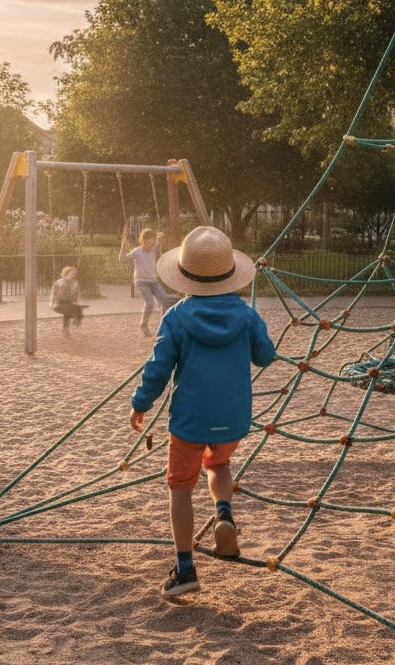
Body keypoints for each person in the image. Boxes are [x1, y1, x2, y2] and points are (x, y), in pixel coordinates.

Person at [128, 225, 275, 597]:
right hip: (234, 418)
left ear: (183, 275)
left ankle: (185, 568)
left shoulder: (177, 316)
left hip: (189, 420)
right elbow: (266, 356)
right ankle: (224, 512)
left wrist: (140, 403)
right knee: (219, 464)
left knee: (180, 487)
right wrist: (254, 329)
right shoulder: (245, 314)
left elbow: (158, 368)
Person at [120, 227, 172, 336]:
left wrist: (160, 242)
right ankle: (143, 326)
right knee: (150, 304)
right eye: (151, 239)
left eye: (154, 239)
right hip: (141, 282)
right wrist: (123, 245)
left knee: (165, 300)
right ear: (145, 240)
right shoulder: (137, 251)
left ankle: (164, 326)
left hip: (153, 281)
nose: (153, 241)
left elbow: (159, 253)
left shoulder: (154, 250)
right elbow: (122, 259)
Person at [49, 265, 85, 334]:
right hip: (59, 303)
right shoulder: (59, 283)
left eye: (75, 274)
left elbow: (77, 294)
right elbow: (53, 294)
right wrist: (51, 304)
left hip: (69, 302)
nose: (74, 276)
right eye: (72, 274)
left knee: (79, 310)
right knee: (68, 311)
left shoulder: (75, 283)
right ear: (66, 274)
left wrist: (78, 302)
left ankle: (75, 322)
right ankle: (66, 329)